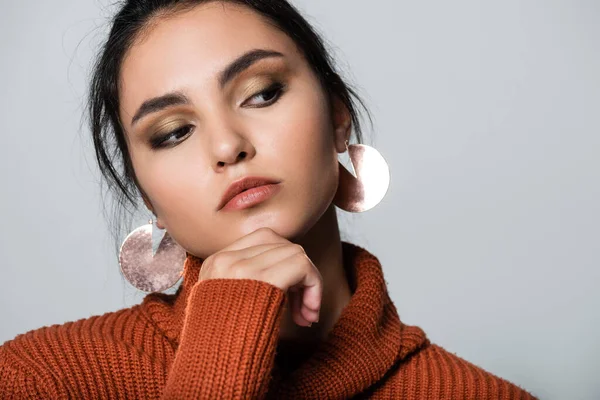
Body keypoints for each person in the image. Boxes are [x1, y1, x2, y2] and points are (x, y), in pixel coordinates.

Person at [0, 0, 538, 398]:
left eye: (262, 94)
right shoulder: (38, 378)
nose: (229, 146)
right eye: (173, 132)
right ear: (148, 196)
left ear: (336, 116)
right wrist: (224, 337)